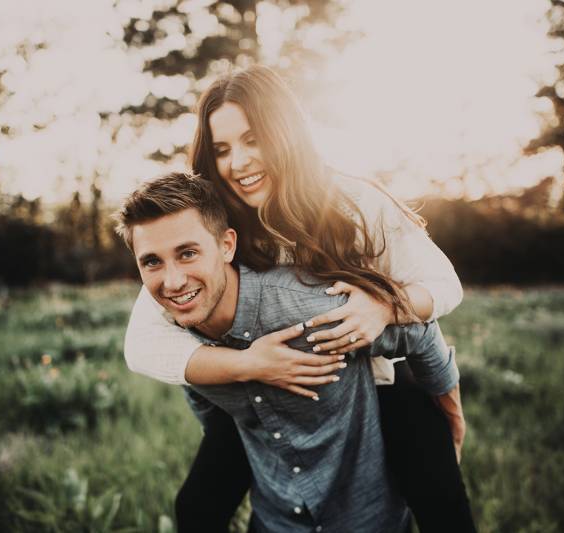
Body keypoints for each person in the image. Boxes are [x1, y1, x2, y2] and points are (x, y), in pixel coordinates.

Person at [124, 65, 476, 532]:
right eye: (223, 149)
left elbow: (443, 285)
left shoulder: (351, 202)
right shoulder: (210, 220)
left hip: (375, 376)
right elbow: (148, 339)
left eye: (254, 140)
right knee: (197, 506)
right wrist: (250, 365)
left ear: (286, 134)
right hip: (256, 382)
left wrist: (386, 305)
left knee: (437, 499)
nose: (239, 162)